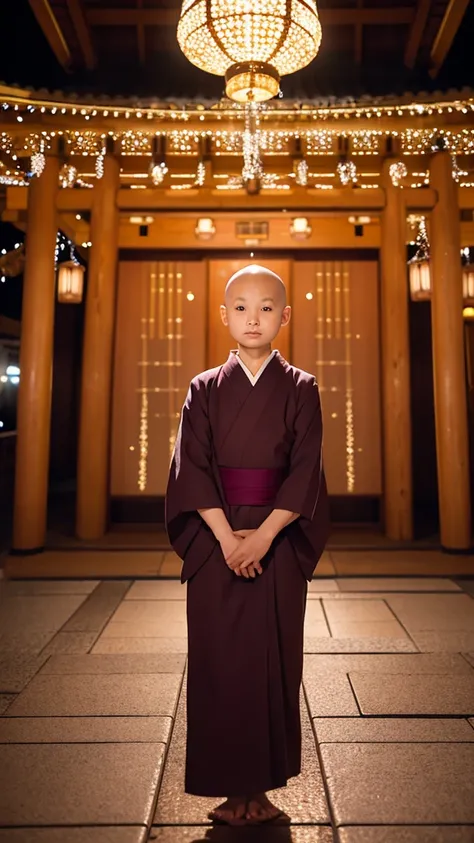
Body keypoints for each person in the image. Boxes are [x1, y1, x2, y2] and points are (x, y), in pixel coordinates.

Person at [165, 264, 330, 826]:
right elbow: (192, 470)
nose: (252, 317)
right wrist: (225, 538)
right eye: (240, 306)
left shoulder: (302, 389)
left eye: (265, 307)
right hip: (217, 543)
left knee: (274, 662)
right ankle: (228, 786)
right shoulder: (203, 388)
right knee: (218, 665)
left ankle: (259, 788)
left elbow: (305, 472)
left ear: (285, 316)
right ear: (223, 315)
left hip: (276, 542)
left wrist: (261, 537)